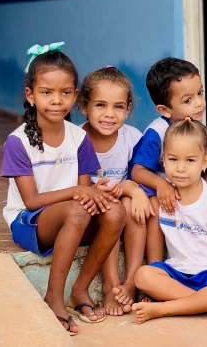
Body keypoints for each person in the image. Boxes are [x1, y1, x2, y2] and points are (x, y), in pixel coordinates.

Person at [0, 43, 126, 335]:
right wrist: (79, 194)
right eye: (47, 92)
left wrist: (98, 195)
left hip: (72, 216)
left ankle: (79, 289)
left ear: (75, 96)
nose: (57, 100)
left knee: (115, 212)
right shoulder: (18, 142)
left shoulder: (79, 138)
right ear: (30, 95)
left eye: (65, 92)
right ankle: (54, 297)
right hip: (29, 222)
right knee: (79, 208)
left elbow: (85, 193)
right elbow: (31, 201)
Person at [131, 118, 207, 324]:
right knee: (143, 276)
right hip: (178, 272)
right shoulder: (162, 196)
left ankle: (165, 308)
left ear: (205, 162)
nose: (180, 168)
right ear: (163, 159)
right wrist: (135, 192)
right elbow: (128, 184)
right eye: (173, 159)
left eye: (190, 160)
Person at [130, 58, 207, 266]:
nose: (199, 103)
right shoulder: (157, 132)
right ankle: (156, 267)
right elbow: (137, 172)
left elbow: (200, 170)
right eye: (187, 100)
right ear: (165, 110)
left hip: (183, 191)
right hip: (159, 195)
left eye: (200, 93)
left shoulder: (193, 128)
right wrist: (161, 184)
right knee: (157, 206)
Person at [79, 66, 153, 315]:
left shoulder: (132, 138)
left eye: (118, 107)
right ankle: (111, 284)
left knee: (133, 205)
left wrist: (135, 190)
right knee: (113, 209)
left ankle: (131, 281)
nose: (109, 115)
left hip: (122, 203)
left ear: (128, 108)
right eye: (100, 105)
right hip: (92, 211)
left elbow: (139, 175)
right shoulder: (76, 139)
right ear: (83, 106)